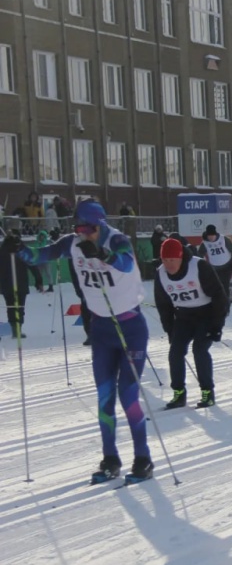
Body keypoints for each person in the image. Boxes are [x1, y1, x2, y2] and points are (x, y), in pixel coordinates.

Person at [18, 200, 153, 481]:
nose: (82, 234)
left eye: (87, 229)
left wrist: (103, 254)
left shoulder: (118, 240)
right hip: (102, 330)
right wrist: (18, 248)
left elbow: (127, 263)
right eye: (78, 228)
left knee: (128, 395)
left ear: (99, 225)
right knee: (105, 398)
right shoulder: (73, 243)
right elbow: (40, 255)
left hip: (130, 328)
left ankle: (143, 458)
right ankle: (110, 458)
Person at [154, 238, 229, 408]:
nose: (168, 264)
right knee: (175, 353)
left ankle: (207, 392)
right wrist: (169, 330)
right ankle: (179, 393)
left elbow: (219, 296)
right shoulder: (161, 274)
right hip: (183, 317)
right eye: (165, 260)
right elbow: (163, 305)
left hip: (206, 314)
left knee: (199, 350)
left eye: (172, 260)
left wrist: (217, 326)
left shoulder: (199, 266)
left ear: (180, 257)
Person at [196, 224, 232, 301]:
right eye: (209, 236)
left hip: (227, 266)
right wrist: (200, 265)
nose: (211, 238)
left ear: (215, 234)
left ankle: (225, 302)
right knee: (216, 286)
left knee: (224, 285)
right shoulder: (205, 243)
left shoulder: (224, 239)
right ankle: (218, 301)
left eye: (212, 236)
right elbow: (199, 255)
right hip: (214, 268)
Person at [0, 230, 32, 333]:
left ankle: (17, 328)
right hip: (10, 284)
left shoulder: (21, 250)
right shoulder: (4, 251)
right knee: (14, 307)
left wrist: (38, 279)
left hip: (17, 284)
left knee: (15, 307)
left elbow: (31, 262)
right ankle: (15, 328)